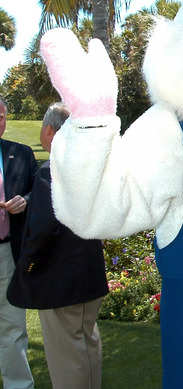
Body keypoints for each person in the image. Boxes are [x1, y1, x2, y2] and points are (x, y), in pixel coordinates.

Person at [7, 102, 108, 389]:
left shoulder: (51, 173)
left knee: (67, 359)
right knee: (87, 346)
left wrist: (27, 266)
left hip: (60, 282)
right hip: (88, 277)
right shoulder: (89, 169)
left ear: (50, 131)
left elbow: (41, 230)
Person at [0, 96, 37, 389]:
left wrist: (24, 201)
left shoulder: (21, 154)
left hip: (7, 253)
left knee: (12, 326)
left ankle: (18, 385)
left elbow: (40, 191)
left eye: (1, 116)